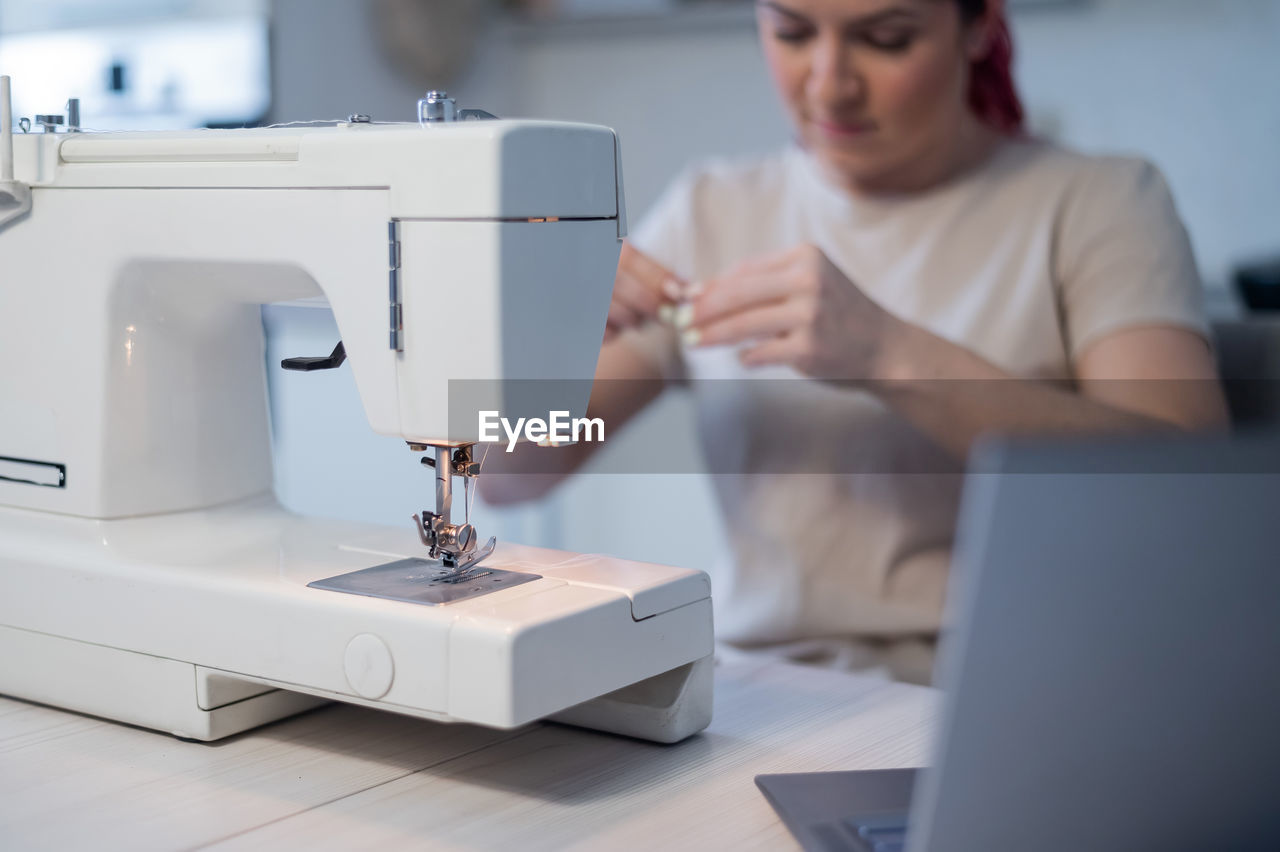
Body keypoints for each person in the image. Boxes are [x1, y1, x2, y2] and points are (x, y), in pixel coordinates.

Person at [480, 0, 1228, 684]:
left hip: (1013, 698)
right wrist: (547, 340)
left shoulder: (1098, 203)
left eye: (886, 39)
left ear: (978, 26)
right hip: (758, 697)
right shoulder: (712, 210)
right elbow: (506, 474)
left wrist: (889, 355)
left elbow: (1194, 496)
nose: (830, 85)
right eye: (792, 32)